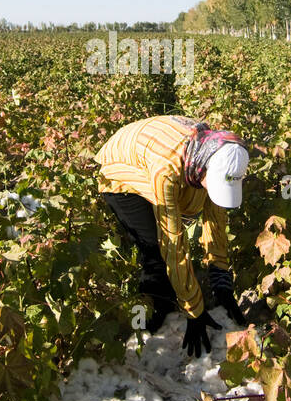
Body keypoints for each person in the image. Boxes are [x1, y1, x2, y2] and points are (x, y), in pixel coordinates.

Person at [95, 115, 250, 358]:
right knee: (154, 248)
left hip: (151, 154)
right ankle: (157, 317)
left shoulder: (215, 153)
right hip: (122, 172)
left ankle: (178, 299)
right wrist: (194, 311)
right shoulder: (167, 168)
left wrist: (221, 279)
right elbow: (173, 242)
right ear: (201, 168)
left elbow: (216, 220)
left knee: (201, 204)